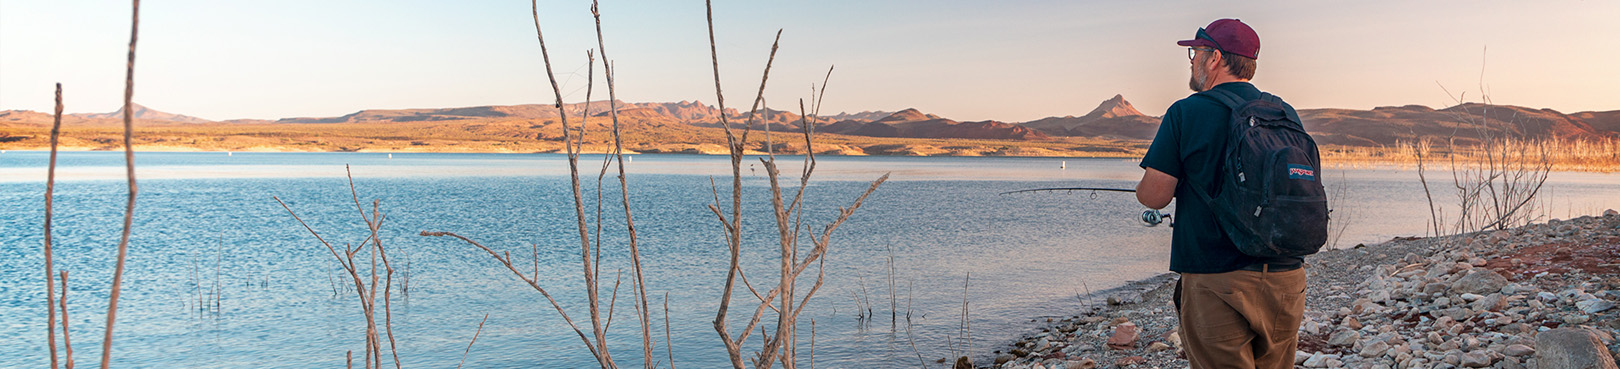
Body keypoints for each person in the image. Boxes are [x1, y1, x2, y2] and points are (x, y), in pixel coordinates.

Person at [1134, 18, 1307, 369]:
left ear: (1214, 58)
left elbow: (1154, 197)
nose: (1193, 61)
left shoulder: (1186, 111)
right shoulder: (1284, 112)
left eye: (1195, 53)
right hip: (1286, 276)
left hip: (1216, 278)